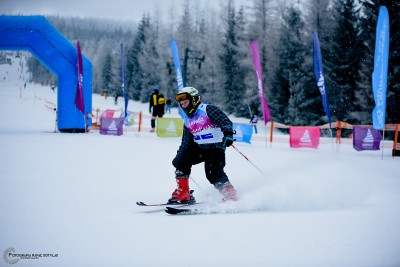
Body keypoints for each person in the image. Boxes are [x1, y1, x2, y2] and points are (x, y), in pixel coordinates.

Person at [168, 86, 238, 204]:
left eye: (186, 102)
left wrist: (228, 134)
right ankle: (183, 193)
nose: (184, 105)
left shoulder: (207, 109)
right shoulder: (187, 120)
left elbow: (224, 121)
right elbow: (186, 142)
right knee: (181, 160)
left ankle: (230, 194)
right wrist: (179, 157)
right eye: (182, 104)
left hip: (215, 147)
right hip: (200, 148)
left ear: (194, 100)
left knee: (213, 173)